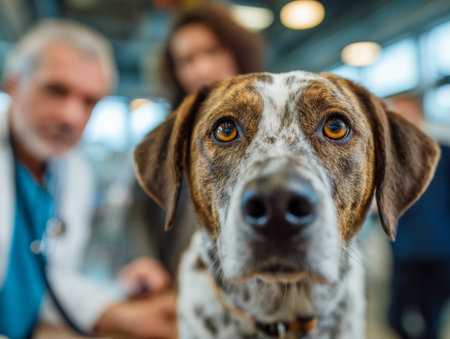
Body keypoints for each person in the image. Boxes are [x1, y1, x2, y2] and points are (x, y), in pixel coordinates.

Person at [0, 19, 175, 338]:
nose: (71, 117)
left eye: (89, 101)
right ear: (13, 85)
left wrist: (124, 315)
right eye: (55, 91)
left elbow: (53, 278)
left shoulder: (73, 173)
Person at [127, 3, 266, 278]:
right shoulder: (170, 138)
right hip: (180, 285)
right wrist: (142, 261)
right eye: (186, 61)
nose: (202, 69)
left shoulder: (279, 122)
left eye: (212, 51)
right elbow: (137, 214)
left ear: (238, 51)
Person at [387, 94, 450, 339]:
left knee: (431, 320)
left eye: (405, 114)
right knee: (394, 317)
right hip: (405, 253)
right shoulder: (391, 160)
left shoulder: (444, 154)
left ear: (419, 115)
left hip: (440, 253)